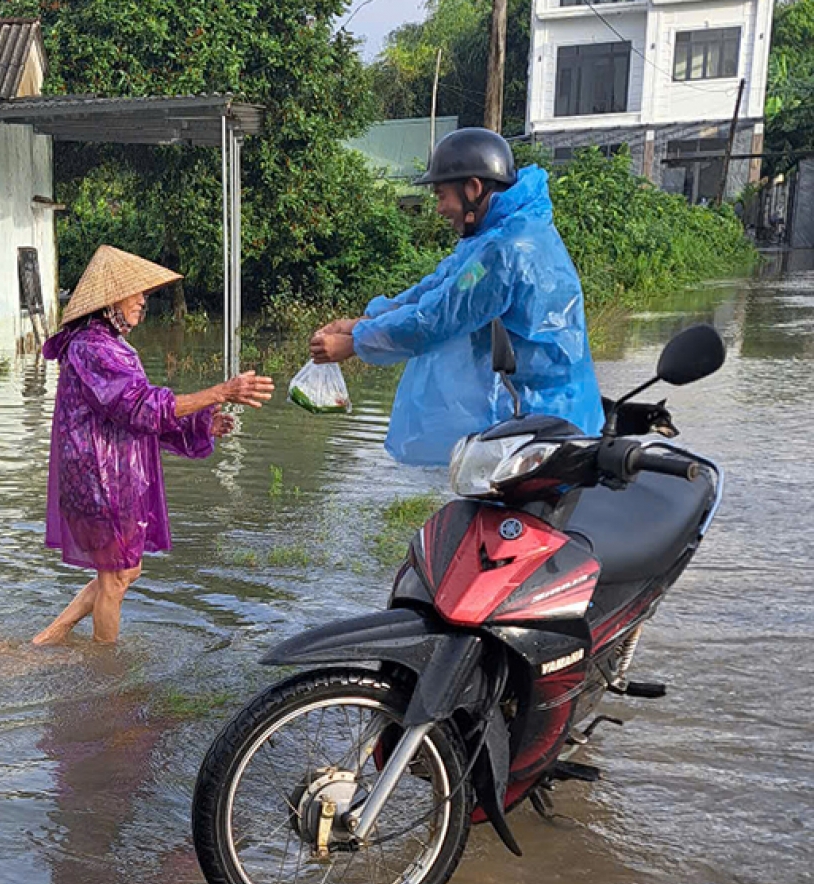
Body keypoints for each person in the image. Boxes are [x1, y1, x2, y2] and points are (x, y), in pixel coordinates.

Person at [309, 128, 604, 466]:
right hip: (530, 417)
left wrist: (356, 343)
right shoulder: (497, 235)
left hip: (546, 424)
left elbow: (437, 320)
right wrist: (364, 322)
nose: (438, 208)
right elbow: (438, 289)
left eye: (440, 195)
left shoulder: (506, 249)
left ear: (473, 189)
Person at [33, 246, 272, 645]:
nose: (143, 300)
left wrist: (199, 423)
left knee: (125, 570)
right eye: (135, 292)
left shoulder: (109, 345)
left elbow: (138, 412)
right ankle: (106, 673)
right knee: (115, 577)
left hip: (113, 476)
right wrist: (220, 391)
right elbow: (141, 407)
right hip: (98, 480)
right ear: (110, 301)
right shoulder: (92, 348)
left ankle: (50, 637)